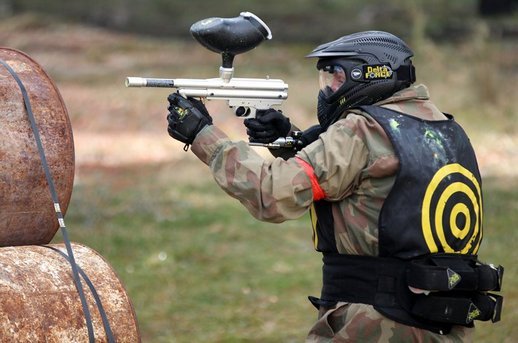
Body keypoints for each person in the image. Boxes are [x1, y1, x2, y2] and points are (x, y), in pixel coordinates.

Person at [166, 31, 503, 342]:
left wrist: (202, 134)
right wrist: (294, 141)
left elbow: (271, 194)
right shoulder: (447, 129)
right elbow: (368, 182)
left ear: (370, 74)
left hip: (374, 323)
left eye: (335, 77)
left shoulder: (360, 129)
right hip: (441, 324)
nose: (327, 90)